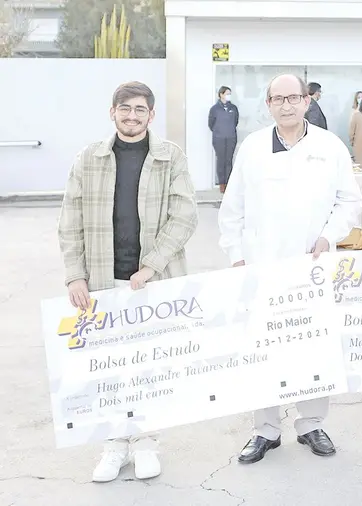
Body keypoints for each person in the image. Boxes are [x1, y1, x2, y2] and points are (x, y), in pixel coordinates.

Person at [58, 81, 199, 482]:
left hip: (153, 282)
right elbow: (69, 221)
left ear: (151, 115)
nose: (132, 116)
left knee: (150, 366)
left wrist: (151, 266)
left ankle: (147, 443)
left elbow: (185, 216)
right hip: (102, 283)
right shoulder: (88, 158)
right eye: (125, 109)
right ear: (112, 112)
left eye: (140, 110)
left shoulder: (170, 157)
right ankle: (114, 446)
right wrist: (75, 275)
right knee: (108, 368)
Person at [218, 74, 362, 464]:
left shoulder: (329, 146)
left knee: (314, 345)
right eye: (277, 98)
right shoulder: (252, 148)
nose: (286, 105)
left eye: (293, 97)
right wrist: (236, 256)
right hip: (261, 267)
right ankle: (264, 430)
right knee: (263, 348)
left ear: (306, 101)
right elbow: (233, 208)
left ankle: (311, 424)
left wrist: (328, 237)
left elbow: (349, 202)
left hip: (312, 267)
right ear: (268, 105)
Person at [208, 85, 239, 192]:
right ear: (221, 94)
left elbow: (235, 121)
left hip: (231, 137)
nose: (228, 96)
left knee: (229, 160)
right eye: (227, 94)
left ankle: (229, 183)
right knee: (221, 160)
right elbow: (211, 124)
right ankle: (222, 183)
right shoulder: (215, 109)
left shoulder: (233, 108)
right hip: (219, 138)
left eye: (230, 94)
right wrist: (219, 132)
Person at [348, 91, 362, 170]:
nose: (360, 99)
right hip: (360, 141)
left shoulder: (357, 113)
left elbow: (351, 130)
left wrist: (352, 141)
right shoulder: (355, 112)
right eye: (358, 97)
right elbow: (351, 129)